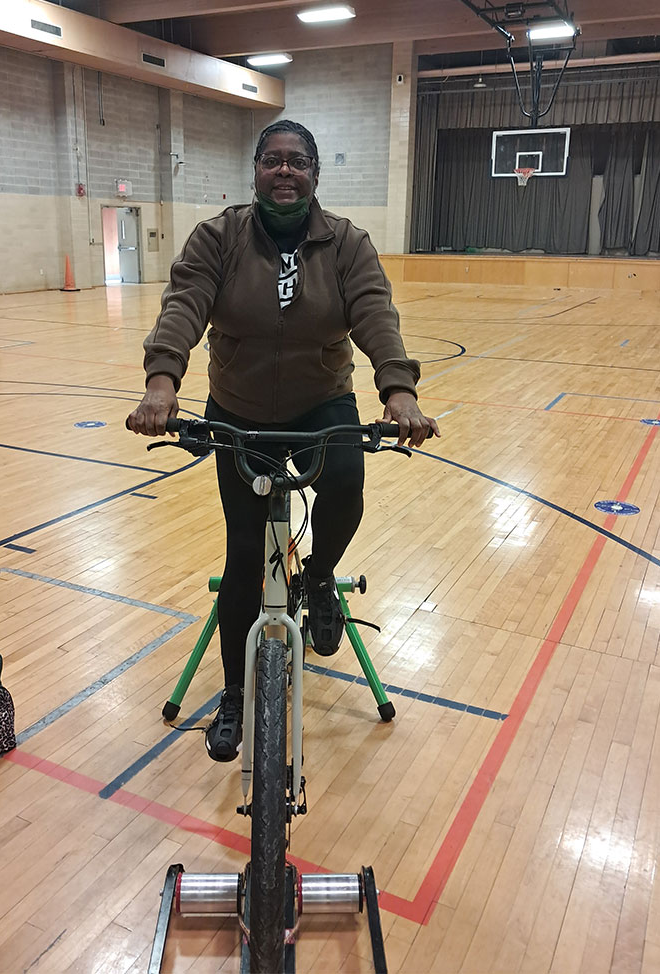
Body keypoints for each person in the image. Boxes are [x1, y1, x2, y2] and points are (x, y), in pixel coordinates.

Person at [127, 120, 440, 762]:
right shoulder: (218, 237)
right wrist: (162, 384)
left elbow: (375, 312)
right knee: (244, 556)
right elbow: (184, 303)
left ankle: (320, 578)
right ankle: (237, 697)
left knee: (346, 487)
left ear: (315, 173)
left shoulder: (347, 244)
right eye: (273, 160)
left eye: (297, 161)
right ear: (257, 171)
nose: (285, 171)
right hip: (238, 410)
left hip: (321, 401)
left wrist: (398, 392)